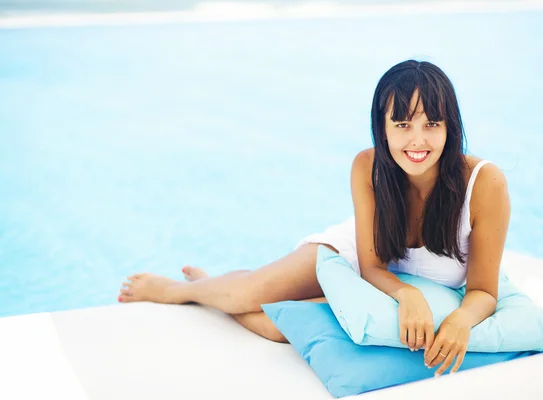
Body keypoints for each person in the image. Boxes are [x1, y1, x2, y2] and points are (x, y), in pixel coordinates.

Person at [117, 60, 510, 377]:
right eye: (402, 124)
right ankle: (182, 291)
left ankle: (213, 288)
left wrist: (460, 321)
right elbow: (371, 264)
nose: (417, 141)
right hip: (355, 254)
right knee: (246, 294)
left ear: (450, 126)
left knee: (275, 327)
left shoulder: (484, 182)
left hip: (393, 284)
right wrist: (408, 295)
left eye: (431, 124)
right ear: (383, 127)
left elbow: (484, 292)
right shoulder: (368, 166)